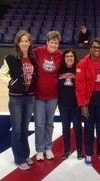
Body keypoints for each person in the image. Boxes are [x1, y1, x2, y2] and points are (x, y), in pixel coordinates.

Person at [0, 30, 37, 170]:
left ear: (29, 43)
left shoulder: (33, 58)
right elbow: (1, 74)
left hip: (30, 97)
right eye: (22, 41)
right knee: (17, 129)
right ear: (18, 43)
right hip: (16, 99)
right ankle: (19, 159)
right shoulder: (10, 58)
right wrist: (10, 82)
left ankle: (25, 154)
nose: (24, 43)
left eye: (27, 41)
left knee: (25, 128)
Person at [75, 39, 100, 166]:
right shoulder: (83, 63)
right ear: (90, 48)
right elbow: (79, 85)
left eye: (99, 47)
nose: (97, 49)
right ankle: (89, 153)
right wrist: (83, 104)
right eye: (94, 47)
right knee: (89, 128)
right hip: (88, 99)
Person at [34, 31, 62, 161]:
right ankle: (39, 149)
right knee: (39, 124)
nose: (53, 45)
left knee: (49, 123)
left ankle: (48, 147)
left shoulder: (60, 56)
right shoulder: (38, 52)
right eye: (51, 42)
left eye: (56, 43)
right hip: (38, 95)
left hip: (53, 95)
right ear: (47, 42)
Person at [57, 48, 84, 160]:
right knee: (65, 127)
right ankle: (66, 150)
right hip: (63, 104)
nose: (69, 58)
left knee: (77, 127)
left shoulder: (79, 69)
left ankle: (79, 151)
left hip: (76, 104)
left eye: (71, 56)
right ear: (64, 58)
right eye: (67, 56)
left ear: (74, 58)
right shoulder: (59, 70)